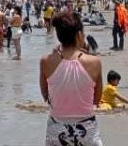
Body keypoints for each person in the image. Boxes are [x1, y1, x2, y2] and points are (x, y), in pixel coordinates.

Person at [40, 11, 103, 146]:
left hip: (57, 129)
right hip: (86, 128)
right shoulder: (95, 62)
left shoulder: (45, 61)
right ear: (79, 35)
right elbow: (97, 100)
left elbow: (45, 96)